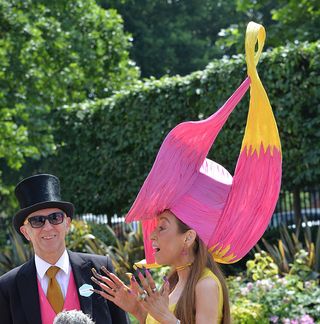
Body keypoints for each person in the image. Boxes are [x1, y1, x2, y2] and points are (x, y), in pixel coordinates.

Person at [91, 21, 282, 324]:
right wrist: (138, 310)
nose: (152, 233)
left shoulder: (207, 284)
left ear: (189, 236)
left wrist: (164, 315)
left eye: (163, 226)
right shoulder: (172, 282)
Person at [0, 173, 129, 324]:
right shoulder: (8, 287)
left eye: (55, 218)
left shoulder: (100, 270)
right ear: (25, 232)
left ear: (67, 224)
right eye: (37, 221)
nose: (48, 227)